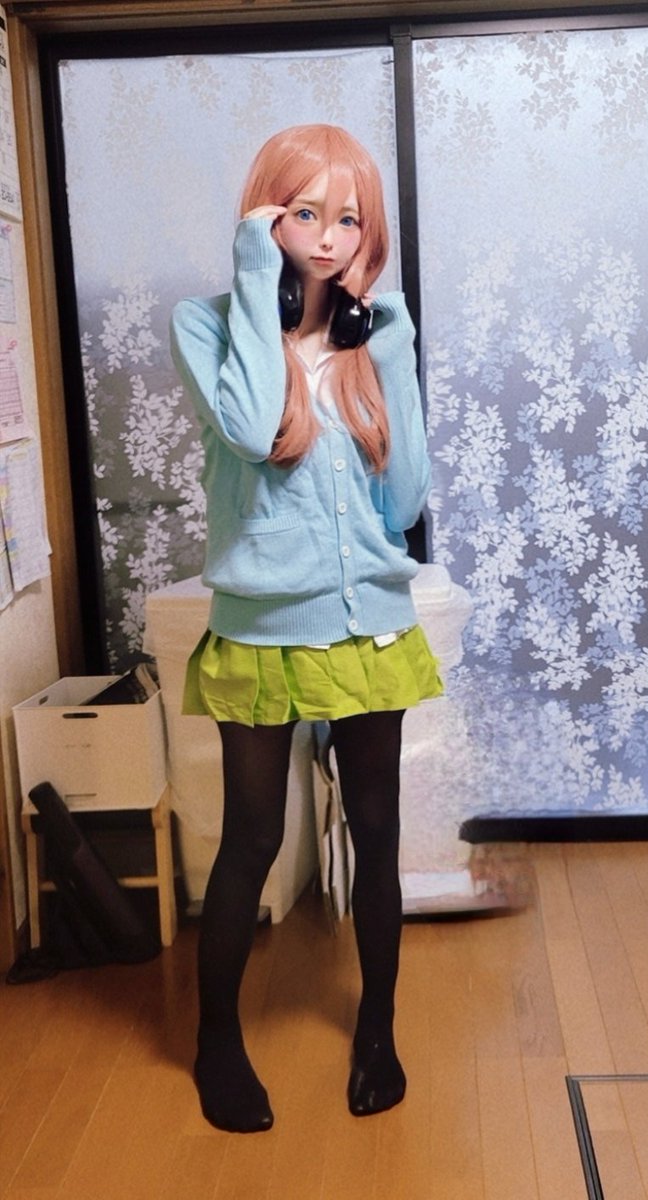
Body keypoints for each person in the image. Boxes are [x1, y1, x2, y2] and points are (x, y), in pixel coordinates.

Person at [170, 124, 442, 1134]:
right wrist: (257, 273)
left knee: (376, 835)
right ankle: (216, 1041)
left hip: (370, 626)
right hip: (260, 632)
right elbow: (251, 429)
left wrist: (389, 350)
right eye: (303, 212)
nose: (327, 237)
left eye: (349, 219)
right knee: (252, 838)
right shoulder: (207, 325)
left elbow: (404, 499)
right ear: (264, 215)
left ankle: (378, 1030)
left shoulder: (379, 333)